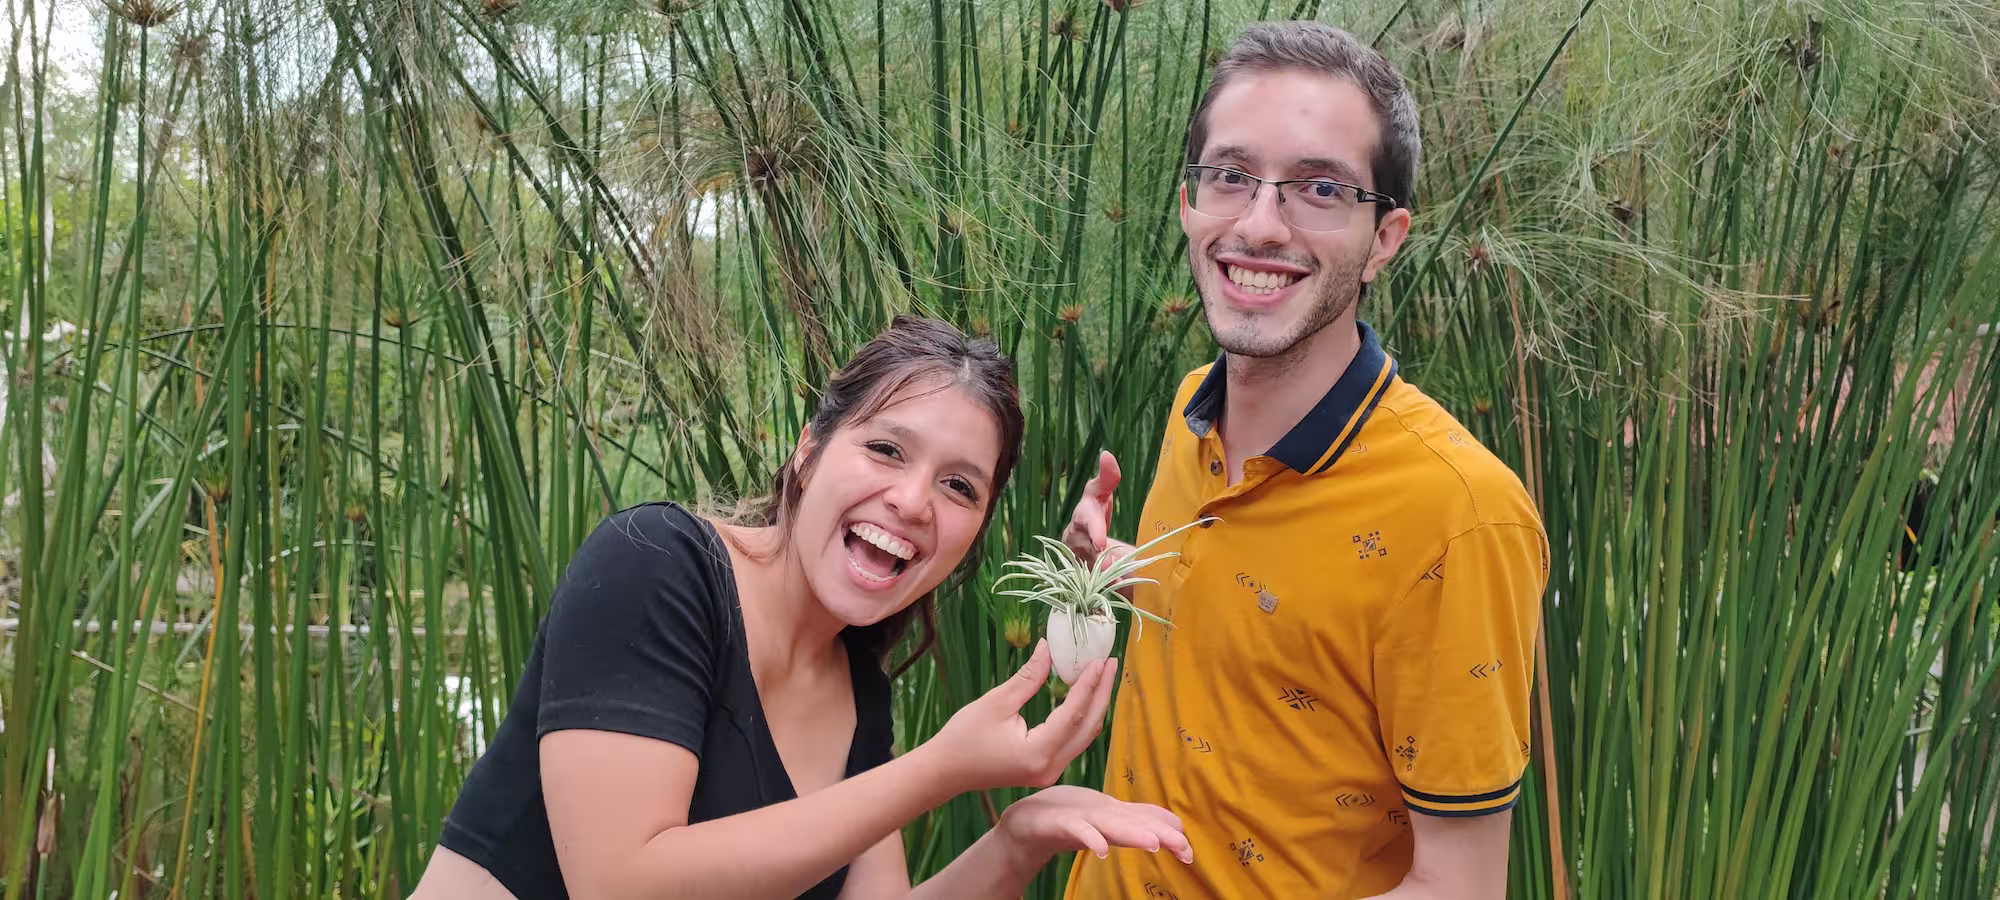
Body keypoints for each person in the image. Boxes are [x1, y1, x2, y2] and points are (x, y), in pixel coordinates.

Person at [410, 315, 1194, 900]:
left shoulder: (857, 687)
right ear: (809, 449)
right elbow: (619, 882)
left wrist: (1020, 839)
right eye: (886, 448)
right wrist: (941, 769)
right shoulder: (656, 566)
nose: (914, 499)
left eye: (961, 486)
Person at [1058, 21, 1549, 900]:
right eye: (1231, 177)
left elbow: (1458, 887)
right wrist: (1121, 574)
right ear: (1188, 201)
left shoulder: (1458, 514)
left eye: (1319, 188)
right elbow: (1261, 610)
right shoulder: (1189, 411)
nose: (1258, 224)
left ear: (1387, 237)